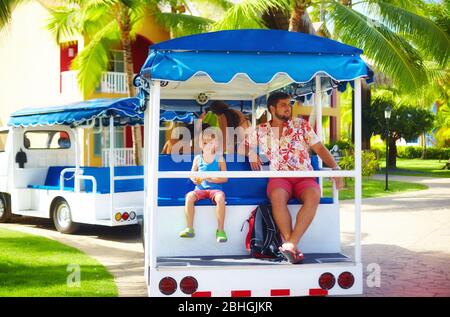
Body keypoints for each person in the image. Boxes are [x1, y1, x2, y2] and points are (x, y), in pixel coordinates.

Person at [245, 91, 344, 263]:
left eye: (289, 104)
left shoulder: (301, 125)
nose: (288, 108)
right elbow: (244, 146)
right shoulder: (260, 130)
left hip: (303, 175)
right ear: (272, 108)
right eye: (283, 105)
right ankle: (291, 246)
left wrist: (334, 168)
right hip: (279, 177)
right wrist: (251, 153)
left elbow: (319, 148)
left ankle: (290, 244)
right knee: (276, 196)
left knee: (314, 194)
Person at [179, 128, 229, 242]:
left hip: (215, 190)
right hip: (200, 189)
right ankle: (189, 228)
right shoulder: (197, 159)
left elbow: (225, 178)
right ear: (200, 144)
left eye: (210, 143)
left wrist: (210, 178)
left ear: (216, 144)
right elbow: (192, 174)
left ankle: (220, 230)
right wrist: (194, 179)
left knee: (221, 198)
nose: (207, 145)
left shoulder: (220, 158)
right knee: (189, 197)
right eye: (205, 143)